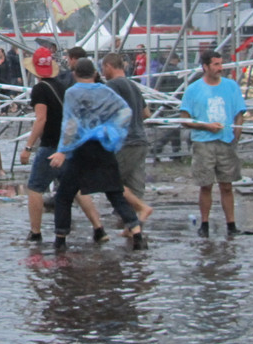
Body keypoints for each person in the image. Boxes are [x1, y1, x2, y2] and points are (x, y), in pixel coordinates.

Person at [48, 59, 147, 251]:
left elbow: (70, 124)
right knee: (115, 192)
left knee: (64, 195)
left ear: (75, 74)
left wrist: (62, 150)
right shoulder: (105, 90)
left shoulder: (72, 93)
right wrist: (111, 132)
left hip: (80, 149)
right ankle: (137, 234)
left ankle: (60, 239)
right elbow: (125, 111)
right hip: (103, 147)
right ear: (94, 73)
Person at [20, 47, 107, 244]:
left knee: (35, 187)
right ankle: (99, 228)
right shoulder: (61, 86)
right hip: (68, 145)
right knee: (75, 188)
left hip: (51, 145)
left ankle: (35, 232)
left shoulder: (40, 89)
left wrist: (28, 147)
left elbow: (40, 119)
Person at [179, 50, 248, 237]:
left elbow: (239, 112)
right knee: (206, 185)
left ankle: (231, 225)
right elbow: (184, 119)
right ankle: (205, 223)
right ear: (205, 67)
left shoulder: (231, 86)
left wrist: (238, 131)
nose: (220, 68)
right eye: (216, 64)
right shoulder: (193, 89)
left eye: (220, 64)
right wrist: (205, 126)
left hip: (226, 142)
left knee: (227, 185)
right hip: (203, 143)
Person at [100, 53, 154, 222]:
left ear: (109, 66)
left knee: (110, 180)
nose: (103, 72)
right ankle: (133, 226)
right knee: (135, 184)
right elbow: (146, 113)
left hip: (124, 142)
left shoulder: (112, 85)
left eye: (103, 68)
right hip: (140, 141)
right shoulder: (133, 86)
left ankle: (140, 209)